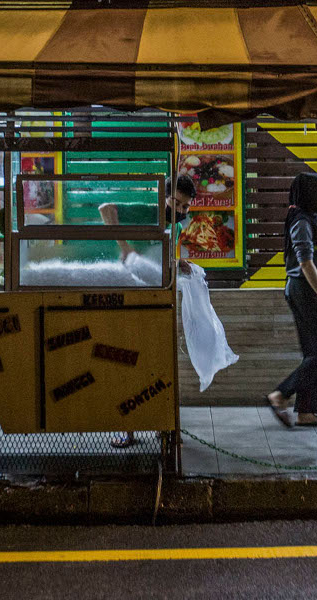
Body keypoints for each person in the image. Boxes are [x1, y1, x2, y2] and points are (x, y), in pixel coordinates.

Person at [100, 174, 197, 449]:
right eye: (176, 203)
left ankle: (161, 424)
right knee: (128, 362)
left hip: (158, 300)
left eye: (185, 206)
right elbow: (105, 209)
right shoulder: (147, 211)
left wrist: (178, 263)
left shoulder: (176, 226)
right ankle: (127, 429)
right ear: (164, 197)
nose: (181, 210)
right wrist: (125, 247)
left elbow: (160, 255)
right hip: (131, 297)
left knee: (158, 364)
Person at [266, 172, 317, 428]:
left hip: (303, 290)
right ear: (313, 197)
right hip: (305, 292)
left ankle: (307, 412)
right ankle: (281, 394)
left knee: (313, 352)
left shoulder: (306, 218)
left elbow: (310, 250)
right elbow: (305, 263)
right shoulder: (301, 221)